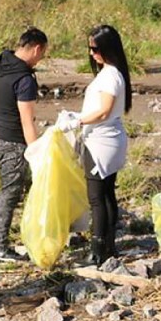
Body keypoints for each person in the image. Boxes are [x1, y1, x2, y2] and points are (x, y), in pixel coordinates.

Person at [56, 25, 132, 266]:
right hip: (108, 138)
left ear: (108, 48)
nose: (92, 53)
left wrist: (77, 121)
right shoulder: (113, 73)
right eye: (89, 48)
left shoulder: (110, 75)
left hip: (101, 142)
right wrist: (78, 115)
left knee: (97, 197)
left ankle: (98, 250)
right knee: (107, 193)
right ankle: (108, 245)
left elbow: (103, 112)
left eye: (95, 49)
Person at [0, 27, 48, 262]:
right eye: (43, 54)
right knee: (11, 192)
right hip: (14, 142)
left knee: (6, 186)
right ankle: (0, 248)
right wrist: (37, 153)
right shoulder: (25, 80)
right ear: (37, 48)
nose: (41, 59)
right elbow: (27, 122)